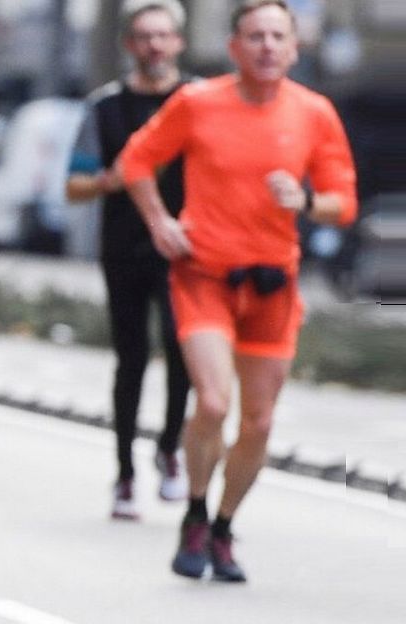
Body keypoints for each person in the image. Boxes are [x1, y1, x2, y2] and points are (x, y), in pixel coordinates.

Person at [119, 0, 356, 582]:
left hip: (272, 286)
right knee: (215, 402)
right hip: (204, 275)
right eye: (255, 36)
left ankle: (224, 525)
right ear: (234, 48)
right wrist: (160, 222)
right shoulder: (198, 103)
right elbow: (135, 161)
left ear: (295, 48)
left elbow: (342, 202)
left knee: (259, 423)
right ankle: (195, 511)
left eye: (278, 36)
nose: (267, 46)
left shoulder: (314, 113)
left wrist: (303, 201)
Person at [66, 0, 192, 520]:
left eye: (163, 36)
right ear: (128, 44)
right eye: (144, 36)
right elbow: (73, 185)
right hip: (123, 248)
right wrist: (111, 180)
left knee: (184, 351)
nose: (154, 46)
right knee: (131, 359)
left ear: (179, 43)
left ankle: (169, 447)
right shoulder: (105, 108)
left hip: (186, 247)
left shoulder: (198, 101)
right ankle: (123, 472)